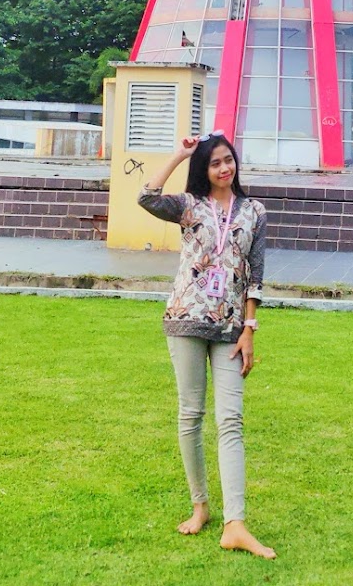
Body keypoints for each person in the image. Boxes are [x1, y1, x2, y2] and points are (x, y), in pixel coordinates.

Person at [138, 131, 276, 559]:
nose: (224, 168)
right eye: (215, 162)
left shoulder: (254, 211)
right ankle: (201, 507)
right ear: (205, 168)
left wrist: (250, 328)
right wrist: (180, 154)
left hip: (232, 327)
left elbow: (256, 274)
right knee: (191, 415)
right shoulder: (188, 206)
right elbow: (146, 196)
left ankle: (236, 523)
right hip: (185, 320)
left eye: (228, 160)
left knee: (230, 419)